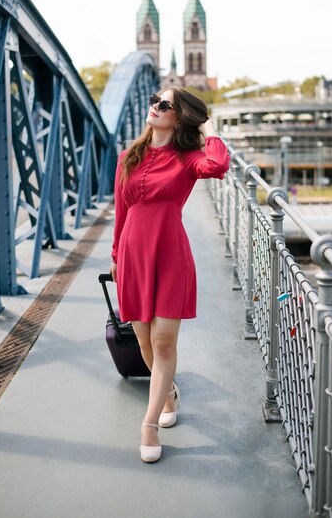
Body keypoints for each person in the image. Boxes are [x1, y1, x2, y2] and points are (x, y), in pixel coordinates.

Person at [109, 85, 230, 463]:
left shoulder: (188, 158)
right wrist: (115, 255)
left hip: (170, 255)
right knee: (144, 342)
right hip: (132, 255)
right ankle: (169, 393)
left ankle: (148, 424)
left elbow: (218, 166)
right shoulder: (129, 156)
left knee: (163, 344)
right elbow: (122, 212)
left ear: (180, 117)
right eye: (154, 101)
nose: (156, 108)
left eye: (166, 105)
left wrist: (207, 131)